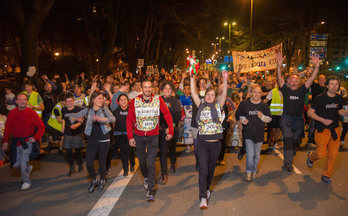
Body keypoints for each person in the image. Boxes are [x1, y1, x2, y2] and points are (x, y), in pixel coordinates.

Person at [126, 79, 173, 202]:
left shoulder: (158, 99)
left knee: (151, 164)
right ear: (141, 89)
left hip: (153, 136)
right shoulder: (135, 101)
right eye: (145, 87)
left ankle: (150, 190)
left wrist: (171, 130)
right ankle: (146, 177)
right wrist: (130, 137)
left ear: (152, 88)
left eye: (149, 87)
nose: (147, 89)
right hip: (139, 136)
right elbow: (129, 120)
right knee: (142, 163)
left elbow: (167, 114)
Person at [190, 70, 228, 210]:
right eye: (208, 94)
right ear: (205, 96)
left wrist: (225, 80)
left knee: (211, 170)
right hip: (202, 143)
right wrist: (192, 78)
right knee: (203, 170)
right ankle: (203, 197)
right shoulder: (201, 105)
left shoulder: (218, 105)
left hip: (216, 144)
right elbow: (194, 93)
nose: (210, 96)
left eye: (212, 95)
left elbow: (224, 94)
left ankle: (207, 188)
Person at [276, 52, 320, 171]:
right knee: (288, 139)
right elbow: (279, 78)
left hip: (298, 119)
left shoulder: (302, 90)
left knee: (295, 140)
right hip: (286, 118)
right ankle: (288, 163)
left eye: (296, 81)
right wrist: (279, 65)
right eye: (291, 81)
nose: (294, 83)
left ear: (299, 82)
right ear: (288, 83)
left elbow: (311, 79)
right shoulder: (285, 90)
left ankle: (292, 150)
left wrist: (317, 67)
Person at [306, 76, 348, 183]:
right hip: (322, 129)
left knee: (333, 155)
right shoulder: (320, 98)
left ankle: (326, 174)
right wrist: (323, 120)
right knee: (321, 154)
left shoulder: (339, 98)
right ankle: (311, 157)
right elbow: (310, 113)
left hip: (335, 129)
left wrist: (346, 113)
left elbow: (339, 110)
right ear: (327, 85)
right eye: (332, 84)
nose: (334, 86)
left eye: (336, 84)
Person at [72, 91, 116, 193]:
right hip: (92, 140)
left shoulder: (105, 110)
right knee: (89, 163)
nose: (102, 100)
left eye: (102, 98)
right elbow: (73, 117)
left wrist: (102, 119)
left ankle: (102, 180)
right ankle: (93, 180)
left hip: (104, 139)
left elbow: (113, 118)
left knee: (101, 162)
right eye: (99, 98)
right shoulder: (87, 110)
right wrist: (77, 119)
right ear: (93, 100)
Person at [2, 93, 45, 190]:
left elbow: (41, 127)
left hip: (27, 142)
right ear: (16, 102)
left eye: (24, 100)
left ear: (27, 101)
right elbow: (8, 128)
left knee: (23, 163)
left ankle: (26, 181)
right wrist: (5, 141)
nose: (22, 102)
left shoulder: (32, 113)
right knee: (16, 164)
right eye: (20, 100)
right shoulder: (12, 113)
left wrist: (35, 138)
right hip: (16, 142)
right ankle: (28, 168)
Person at [236, 84, 272, 181]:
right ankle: (248, 173)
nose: (256, 94)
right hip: (248, 133)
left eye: (259, 92)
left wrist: (262, 117)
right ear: (251, 94)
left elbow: (269, 119)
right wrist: (242, 121)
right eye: (254, 92)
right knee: (250, 154)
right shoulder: (245, 104)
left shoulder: (264, 106)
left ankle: (254, 170)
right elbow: (240, 115)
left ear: (261, 94)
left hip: (259, 134)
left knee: (257, 155)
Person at [158, 81, 182, 184]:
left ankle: (172, 164)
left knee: (172, 148)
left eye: (169, 89)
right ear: (162, 90)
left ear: (172, 90)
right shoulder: (158, 100)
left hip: (173, 128)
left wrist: (170, 127)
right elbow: (158, 115)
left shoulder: (175, 100)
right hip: (162, 130)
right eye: (165, 88)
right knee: (163, 151)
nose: (167, 91)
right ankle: (164, 172)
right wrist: (163, 127)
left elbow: (177, 116)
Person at [111, 85, 135, 176]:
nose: (123, 101)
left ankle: (132, 164)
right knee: (123, 152)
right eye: (121, 100)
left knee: (131, 152)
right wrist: (120, 91)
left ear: (127, 101)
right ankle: (125, 169)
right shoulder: (115, 108)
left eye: (125, 100)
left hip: (130, 135)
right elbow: (113, 99)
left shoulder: (131, 109)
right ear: (119, 102)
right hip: (119, 134)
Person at [61, 93, 85, 176]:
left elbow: (82, 121)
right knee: (68, 152)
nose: (69, 103)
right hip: (67, 133)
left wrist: (76, 125)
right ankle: (71, 167)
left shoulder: (78, 109)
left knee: (78, 151)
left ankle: (80, 164)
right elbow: (63, 119)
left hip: (77, 133)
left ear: (73, 101)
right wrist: (63, 126)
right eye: (67, 101)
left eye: (71, 101)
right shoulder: (63, 110)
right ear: (65, 102)